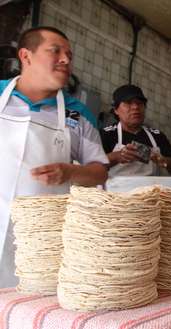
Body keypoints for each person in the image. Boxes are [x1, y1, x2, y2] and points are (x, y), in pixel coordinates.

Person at [0, 26, 108, 287]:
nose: (66, 60)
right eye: (55, 51)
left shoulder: (77, 115)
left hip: (41, 242)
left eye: (69, 54)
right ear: (26, 56)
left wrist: (71, 172)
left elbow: (100, 171)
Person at [100, 84, 171, 177]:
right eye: (128, 103)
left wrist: (164, 161)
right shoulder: (106, 134)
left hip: (151, 190)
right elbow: (90, 166)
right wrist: (117, 156)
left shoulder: (157, 136)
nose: (135, 107)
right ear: (116, 110)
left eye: (139, 103)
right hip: (115, 190)